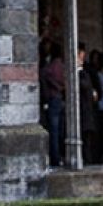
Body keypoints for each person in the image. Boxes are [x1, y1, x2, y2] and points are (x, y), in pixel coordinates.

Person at [40, 40, 67, 168]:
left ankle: (55, 158)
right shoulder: (62, 66)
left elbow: (45, 76)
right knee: (59, 130)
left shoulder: (51, 67)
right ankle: (60, 156)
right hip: (61, 98)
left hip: (53, 98)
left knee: (54, 130)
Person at [76, 43, 100, 166]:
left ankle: (88, 158)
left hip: (87, 109)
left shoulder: (85, 73)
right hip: (81, 109)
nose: (82, 60)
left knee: (88, 137)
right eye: (80, 57)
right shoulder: (78, 74)